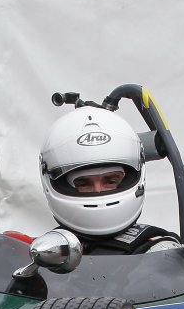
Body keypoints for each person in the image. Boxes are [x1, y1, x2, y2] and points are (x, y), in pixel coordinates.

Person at [38, 105, 175, 255]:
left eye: (110, 181)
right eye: (83, 183)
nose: (98, 190)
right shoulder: (44, 251)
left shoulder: (160, 252)